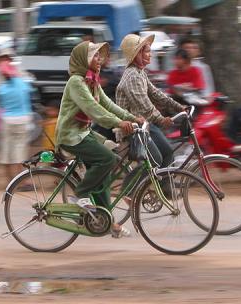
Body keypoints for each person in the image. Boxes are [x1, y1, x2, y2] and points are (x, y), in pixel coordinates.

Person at [55, 41, 142, 237]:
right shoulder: (76, 82)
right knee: (107, 159)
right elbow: (93, 110)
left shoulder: (91, 80)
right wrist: (118, 124)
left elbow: (108, 104)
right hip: (71, 135)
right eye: (95, 56)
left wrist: (130, 117)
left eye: (99, 56)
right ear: (83, 60)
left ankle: (107, 220)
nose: (100, 60)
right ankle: (80, 194)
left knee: (108, 163)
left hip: (84, 132)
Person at [116, 33, 185, 171]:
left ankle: (164, 191)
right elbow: (144, 105)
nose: (150, 54)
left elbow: (155, 94)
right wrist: (161, 120)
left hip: (145, 125)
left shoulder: (141, 72)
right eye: (147, 51)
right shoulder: (132, 76)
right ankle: (130, 190)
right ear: (136, 55)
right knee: (155, 161)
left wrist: (179, 107)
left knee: (168, 153)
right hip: (132, 129)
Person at [0, 60, 32, 182]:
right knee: (20, 150)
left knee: (6, 150)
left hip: (7, 120)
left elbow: (1, 106)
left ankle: (8, 180)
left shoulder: (0, 90)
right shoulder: (23, 84)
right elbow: (29, 92)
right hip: (23, 119)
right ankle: (22, 181)